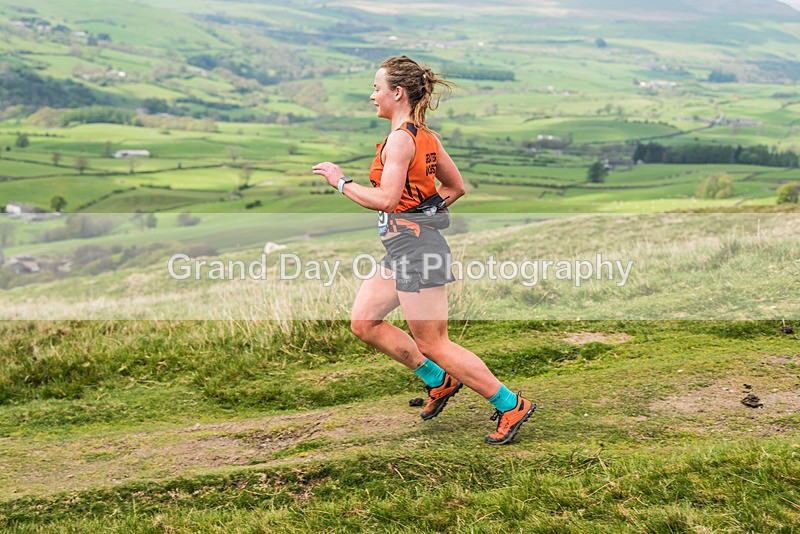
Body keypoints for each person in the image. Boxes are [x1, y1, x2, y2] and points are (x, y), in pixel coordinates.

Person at [312, 55, 535, 445]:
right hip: (404, 248)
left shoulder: (401, 141)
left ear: (397, 93)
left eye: (377, 88)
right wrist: (425, 214)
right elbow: (455, 188)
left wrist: (339, 181)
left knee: (434, 342)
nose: (372, 96)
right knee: (364, 323)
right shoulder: (425, 137)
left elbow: (385, 199)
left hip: (416, 252)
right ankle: (439, 380)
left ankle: (510, 403)